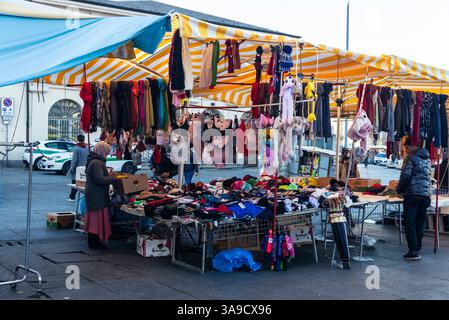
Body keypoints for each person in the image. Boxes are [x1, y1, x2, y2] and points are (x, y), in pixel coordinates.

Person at [396, 139, 431, 261]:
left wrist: (398, 190)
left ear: (413, 147)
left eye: (407, 148)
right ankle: (417, 248)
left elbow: (405, 176)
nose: (406, 151)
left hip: (412, 194)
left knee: (409, 223)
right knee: (419, 223)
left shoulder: (410, 158)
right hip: (425, 195)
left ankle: (413, 251)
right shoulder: (427, 158)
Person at [84, 142, 117, 250]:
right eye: (106, 153)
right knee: (96, 219)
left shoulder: (93, 161)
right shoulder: (97, 163)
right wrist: (114, 179)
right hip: (96, 195)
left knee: (94, 218)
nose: (107, 155)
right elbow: (100, 179)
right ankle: (94, 242)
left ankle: (94, 241)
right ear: (102, 152)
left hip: (94, 194)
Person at [67, 134, 89, 201]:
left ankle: (72, 197)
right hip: (85, 168)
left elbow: (74, 161)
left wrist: (71, 170)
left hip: (77, 169)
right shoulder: (87, 147)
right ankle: (73, 196)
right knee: (83, 183)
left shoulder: (76, 149)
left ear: (77, 139)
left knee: (75, 183)